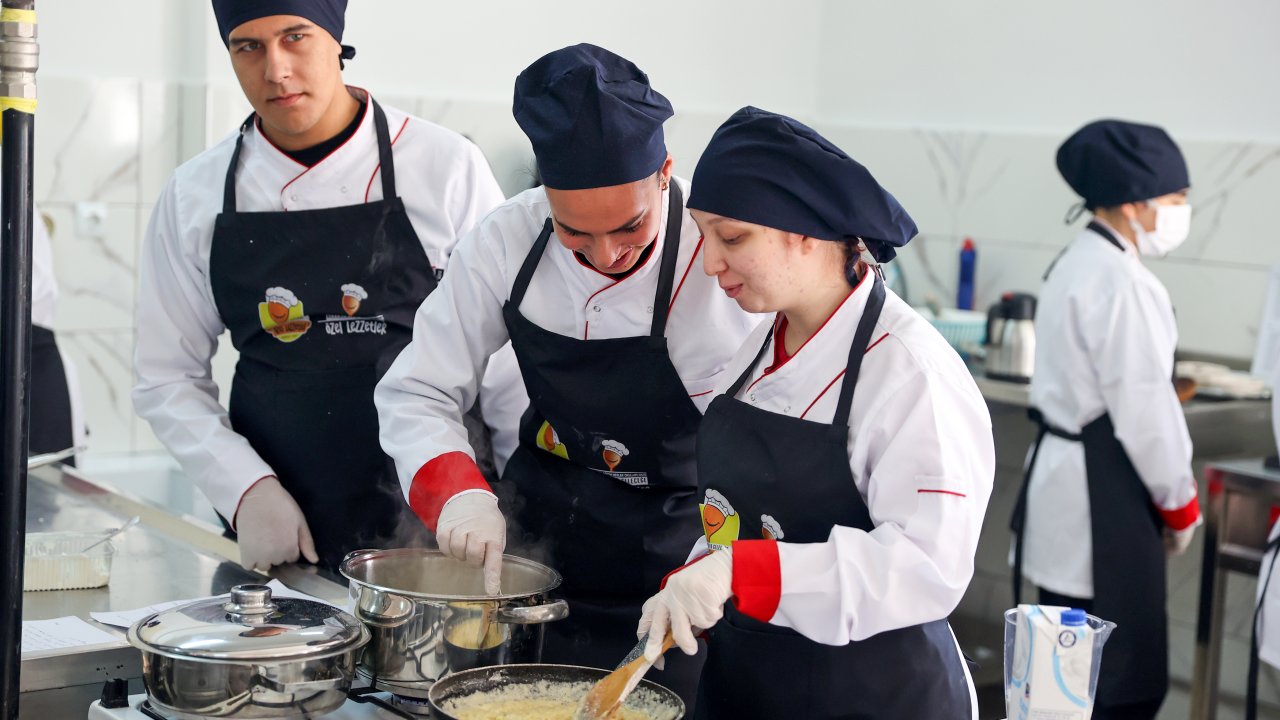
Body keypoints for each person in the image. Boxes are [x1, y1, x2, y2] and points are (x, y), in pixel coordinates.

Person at [375, 44, 757, 704]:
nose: (605, 255)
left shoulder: (718, 262)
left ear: (665, 174)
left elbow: (764, 445)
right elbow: (420, 387)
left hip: (678, 553)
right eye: (574, 233)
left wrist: (720, 566)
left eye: (630, 228)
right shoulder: (505, 242)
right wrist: (457, 491)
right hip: (545, 547)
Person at [636, 106, 993, 719]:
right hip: (753, 685)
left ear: (803, 231)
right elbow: (745, 517)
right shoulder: (757, 346)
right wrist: (700, 571)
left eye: (733, 237)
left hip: (874, 695)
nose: (711, 262)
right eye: (703, 237)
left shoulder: (910, 372)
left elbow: (925, 566)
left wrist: (740, 572)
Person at [132, 0, 504, 572]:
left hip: (439, 527)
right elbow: (165, 376)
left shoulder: (445, 166)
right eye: (248, 46)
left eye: (295, 37)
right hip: (283, 529)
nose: (275, 69)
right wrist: (244, 491)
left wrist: (494, 498)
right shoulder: (194, 195)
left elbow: (505, 357)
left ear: (336, 41)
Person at [1010, 119, 1202, 720]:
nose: (1180, 211)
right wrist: (1181, 504)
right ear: (1134, 202)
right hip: (1104, 496)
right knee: (1116, 686)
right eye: (1175, 199)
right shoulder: (1124, 282)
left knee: (1056, 686)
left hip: (1069, 483)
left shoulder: (1078, 261)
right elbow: (1147, 413)